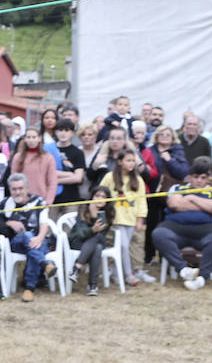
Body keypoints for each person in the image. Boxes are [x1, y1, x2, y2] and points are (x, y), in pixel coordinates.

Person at [152, 157, 212, 291]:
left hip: (204, 229)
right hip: (175, 227)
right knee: (158, 234)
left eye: (203, 177)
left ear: (207, 179)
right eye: (196, 177)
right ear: (190, 177)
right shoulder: (177, 188)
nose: (199, 180)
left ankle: (202, 277)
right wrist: (203, 206)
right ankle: (184, 270)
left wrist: (191, 198)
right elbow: (174, 204)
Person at [98, 147, 148, 288]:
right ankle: (128, 275)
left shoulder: (138, 180)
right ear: (120, 162)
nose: (132, 163)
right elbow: (100, 193)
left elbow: (141, 201)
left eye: (133, 160)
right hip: (116, 219)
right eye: (128, 160)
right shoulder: (109, 177)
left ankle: (114, 274)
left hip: (131, 219)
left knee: (123, 247)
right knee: (124, 245)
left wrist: (140, 219)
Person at [142, 124, 189, 273]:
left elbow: (183, 172)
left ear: (173, 137)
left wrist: (169, 160)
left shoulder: (177, 151)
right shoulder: (150, 150)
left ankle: (165, 257)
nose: (164, 137)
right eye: (161, 134)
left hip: (171, 194)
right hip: (153, 193)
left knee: (168, 225)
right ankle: (148, 256)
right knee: (151, 225)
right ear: (156, 136)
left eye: (168, 134)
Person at [0, 173, 53, 303]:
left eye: (20, 188)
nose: (17, 192)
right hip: (16, 244)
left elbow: (44, 223)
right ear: (10, 190)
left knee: (34, 246)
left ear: (27, 188)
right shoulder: (5, 203)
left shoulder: (38, 201)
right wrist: (9, 223)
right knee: (28, 236)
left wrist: (40, 237)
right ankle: (44, 264)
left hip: (38, 242)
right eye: (14, 189)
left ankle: (29, 288)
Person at [66, 186, 114, 296]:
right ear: (92, 197)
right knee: (97, 245)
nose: (100, 199)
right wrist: (92, 229)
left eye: (103, 196)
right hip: (79, 242)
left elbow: (101, 234)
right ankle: (93, 286)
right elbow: (80, 233)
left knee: (97, 243)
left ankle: (77, 268)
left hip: (97, 241)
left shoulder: (108, 212)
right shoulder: (83, 209)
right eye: (97, 196)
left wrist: (94, 217)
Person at [10, 127, 57, 205]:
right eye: (28, 137)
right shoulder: (18, 157)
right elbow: (13, 180)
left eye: (34, 137)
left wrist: (49, 200)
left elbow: (52, 182)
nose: (31, 140)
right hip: (21, 200)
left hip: (41, 200)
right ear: (25, 139)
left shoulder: (48, 158)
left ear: (39, 138)